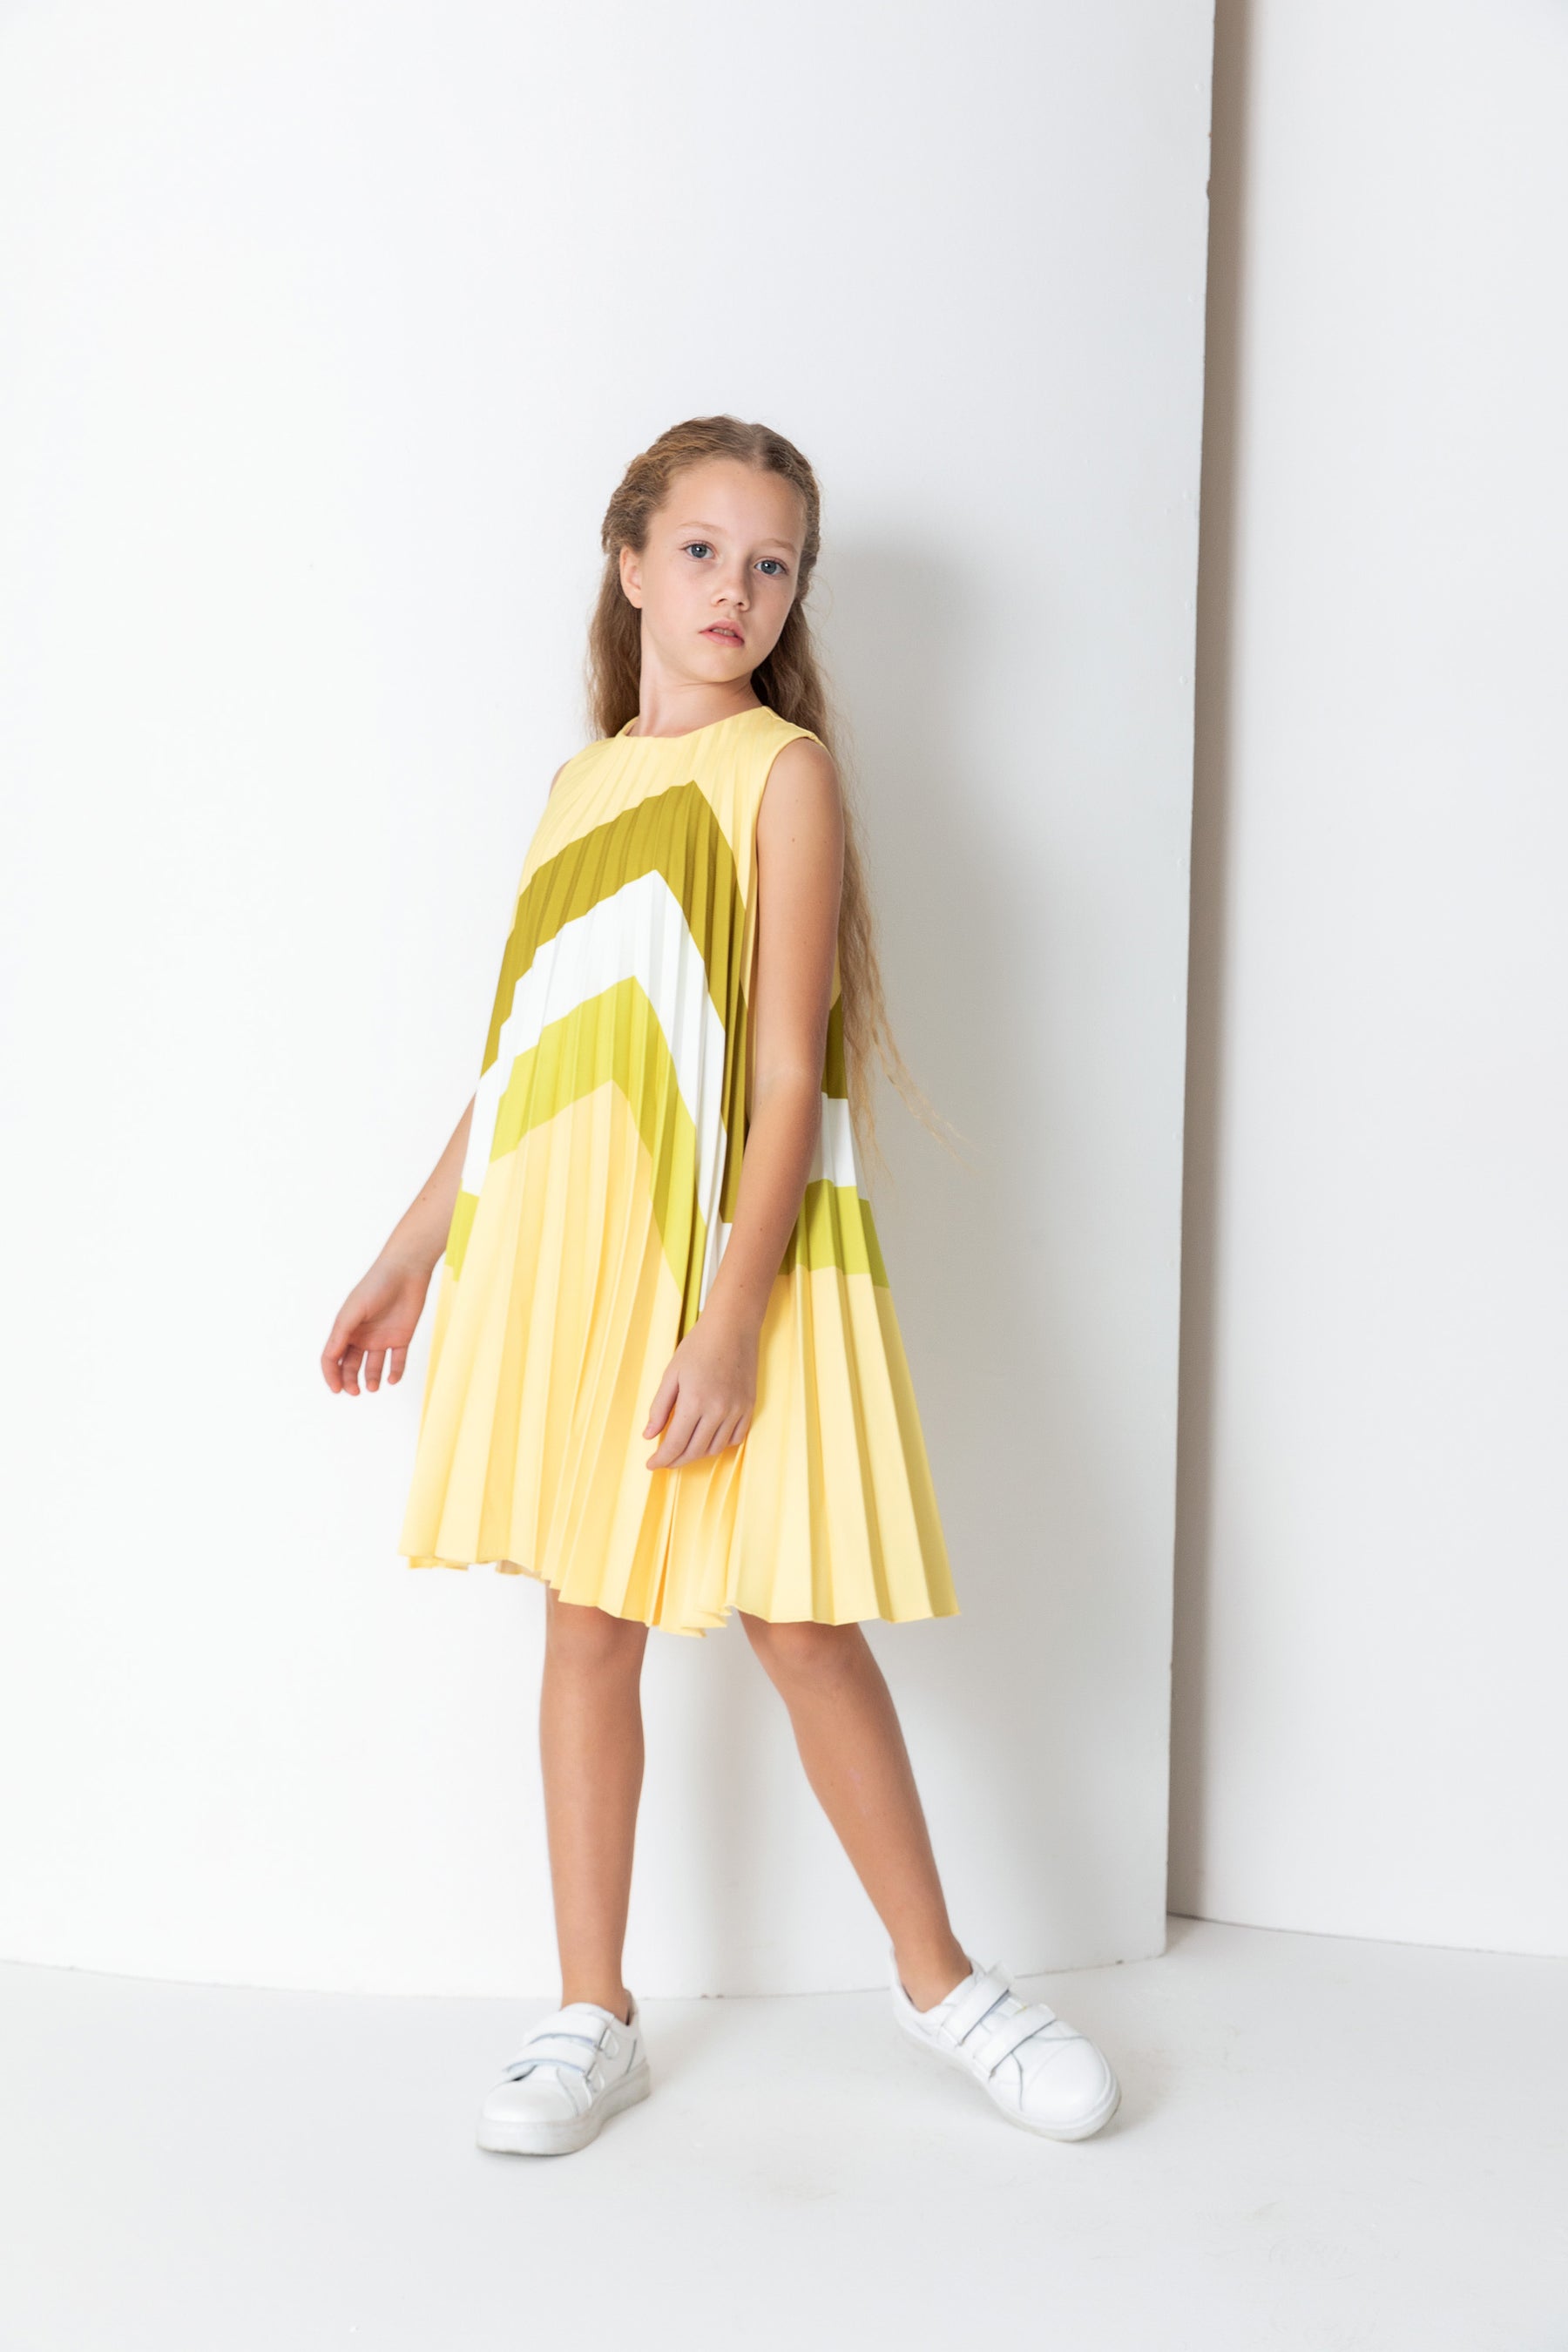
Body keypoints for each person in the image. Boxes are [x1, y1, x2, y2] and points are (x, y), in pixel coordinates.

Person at [320, 415, 1120, 2157]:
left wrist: (735, 1317)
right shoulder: (578, 786)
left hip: (731, 1257)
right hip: (572, 1249)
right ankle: (588, 2012)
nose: (734, 590)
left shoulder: (783, 771)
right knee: (584, 1623)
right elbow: (519, 1060)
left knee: (800, 1623)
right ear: (628, 563)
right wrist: (408, 1250)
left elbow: (784, 1072)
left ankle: (944, 1984)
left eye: (771, 565)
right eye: (700, 551)